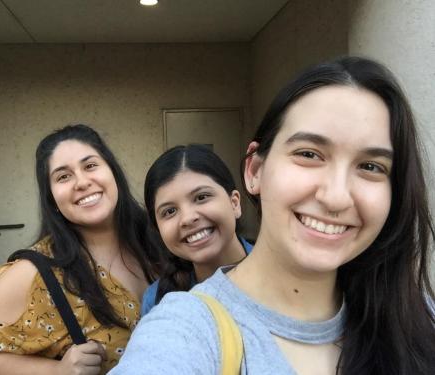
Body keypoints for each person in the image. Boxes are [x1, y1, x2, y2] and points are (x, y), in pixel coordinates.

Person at [109, 57, 435, 375]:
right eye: (309, 154)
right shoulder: (183, 326)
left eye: (370, 166)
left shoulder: (416, 312)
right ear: (254, 170)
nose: (336, 196)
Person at [0, 124, 159, 374]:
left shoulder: (160, 239)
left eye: (90, 166)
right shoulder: (34, 274)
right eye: (63, 176)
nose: (82, 182)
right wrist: (56, 371)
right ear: (52, 199)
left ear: (113, 173)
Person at [140, 145, 253, 315]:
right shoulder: (157, 300)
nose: (187, 218)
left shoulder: (288, 275)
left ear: (235, 203)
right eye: (169, 211)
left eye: (201, 197)